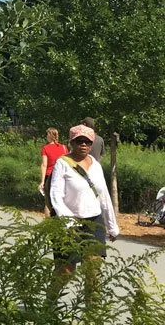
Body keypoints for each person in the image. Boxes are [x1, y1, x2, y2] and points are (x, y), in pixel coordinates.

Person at [49, 124, 119, 301]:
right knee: (66, 271)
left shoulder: (95, 165)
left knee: (93, 270)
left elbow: (103, 195)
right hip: (68, 224)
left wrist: (112, 225)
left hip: (94, 222)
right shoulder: (62, 164)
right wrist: (68, 221)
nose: (83, 145)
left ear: (92, 144)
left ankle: (92, 314)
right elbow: (56, 195)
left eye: (87, 142)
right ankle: (48, 304)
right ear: (71, 142)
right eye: (79, 141)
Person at [38, 128, 68, 217]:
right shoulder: (64, 148)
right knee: (61, 200)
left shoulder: (45, 148)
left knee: (48, 202)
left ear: (50, 136)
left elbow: (44, 165)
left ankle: (48, 224)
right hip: (62, 176)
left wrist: (42, 181)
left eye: (47, 135)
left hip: (50, 176)